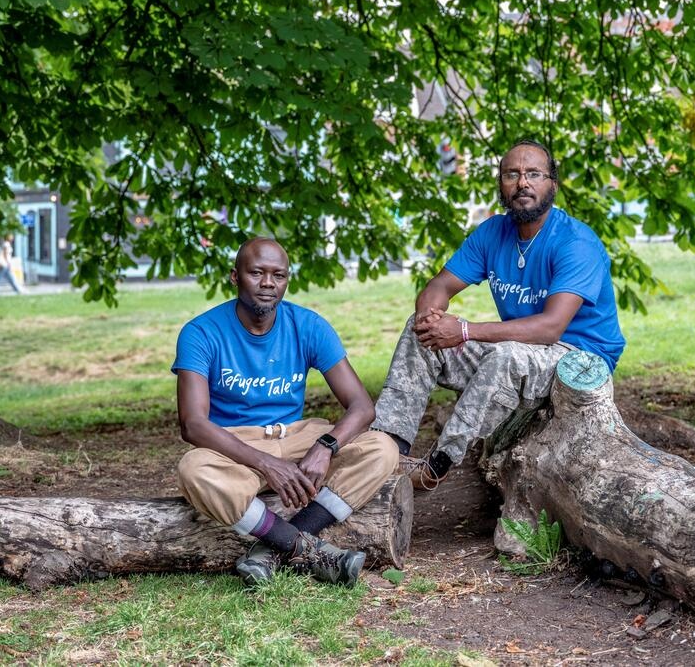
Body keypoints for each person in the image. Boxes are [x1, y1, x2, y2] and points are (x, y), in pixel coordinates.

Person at [372, 141, 626, 489]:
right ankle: (385, 449)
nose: (523, 183)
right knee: (421, 334)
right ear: (501, 184)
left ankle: (436, 466)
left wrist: (463, 330)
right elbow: (439, 287)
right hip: (521, 347)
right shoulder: (492, 232)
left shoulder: (576, 243)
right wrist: (430, 317)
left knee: (506, 355)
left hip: (579, 358)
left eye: (534, 174)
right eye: (512, 174)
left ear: (553, 183)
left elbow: (551, 328)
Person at [174, 238, 398, 587]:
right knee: (194, 469)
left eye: (278, 275)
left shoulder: (308, 325)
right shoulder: (201, 333)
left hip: (297, 435)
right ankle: (309, 551)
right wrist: (265, 464)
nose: (268, 283)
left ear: (287, 279)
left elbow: (361, 406)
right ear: (235, 277)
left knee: (382, 448)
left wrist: (325, 446)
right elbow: (193, 424)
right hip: (237, 443)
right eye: (257, 273)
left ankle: (276, 548)